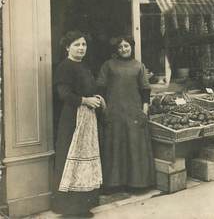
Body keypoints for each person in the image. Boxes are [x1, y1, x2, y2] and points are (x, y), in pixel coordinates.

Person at [51, 30, 104, 218]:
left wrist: (96, 98)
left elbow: (90, 88)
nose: (81, 48)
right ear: (67, 47)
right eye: (77, 45)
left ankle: (82, 206)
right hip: (72, 117)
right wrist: (85, 101)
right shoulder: (64, 67)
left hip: (87, 117)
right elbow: (64, 94)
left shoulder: (84, 66)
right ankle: (68, 209)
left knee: (86, 158)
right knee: (71, 158)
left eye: (83, 45)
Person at [96, 35, 155, 191]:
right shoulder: (108, 65)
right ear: (116, 49)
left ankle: (137, 184)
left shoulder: (138, 66)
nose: (123, 49)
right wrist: (104, 108)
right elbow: (100, 88)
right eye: (120, 47)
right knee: (114, 147)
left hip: (134, 112)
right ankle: (113, 184)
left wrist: (144, 110)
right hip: (114, 112)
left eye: (126, 46)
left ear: (131, 47)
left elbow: (145, 90)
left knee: (134, 147)